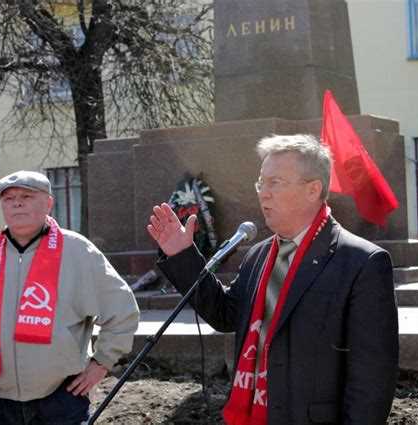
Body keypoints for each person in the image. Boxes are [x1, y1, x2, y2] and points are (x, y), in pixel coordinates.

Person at [147, 134, 399, 425]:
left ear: (313, 190)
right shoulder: (258, 255)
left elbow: (372, 379)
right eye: (261, 183)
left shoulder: (361, 263)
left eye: (275, 183)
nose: (263, 193)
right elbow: (226, 315)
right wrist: (183, 257)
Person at [0, 170, 139, 425]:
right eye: (9, 198)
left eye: (26, 196)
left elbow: (123, 311)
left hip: (62, 401)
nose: (17, 202)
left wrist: (101, 363)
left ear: (48, 203)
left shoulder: (77, 250)